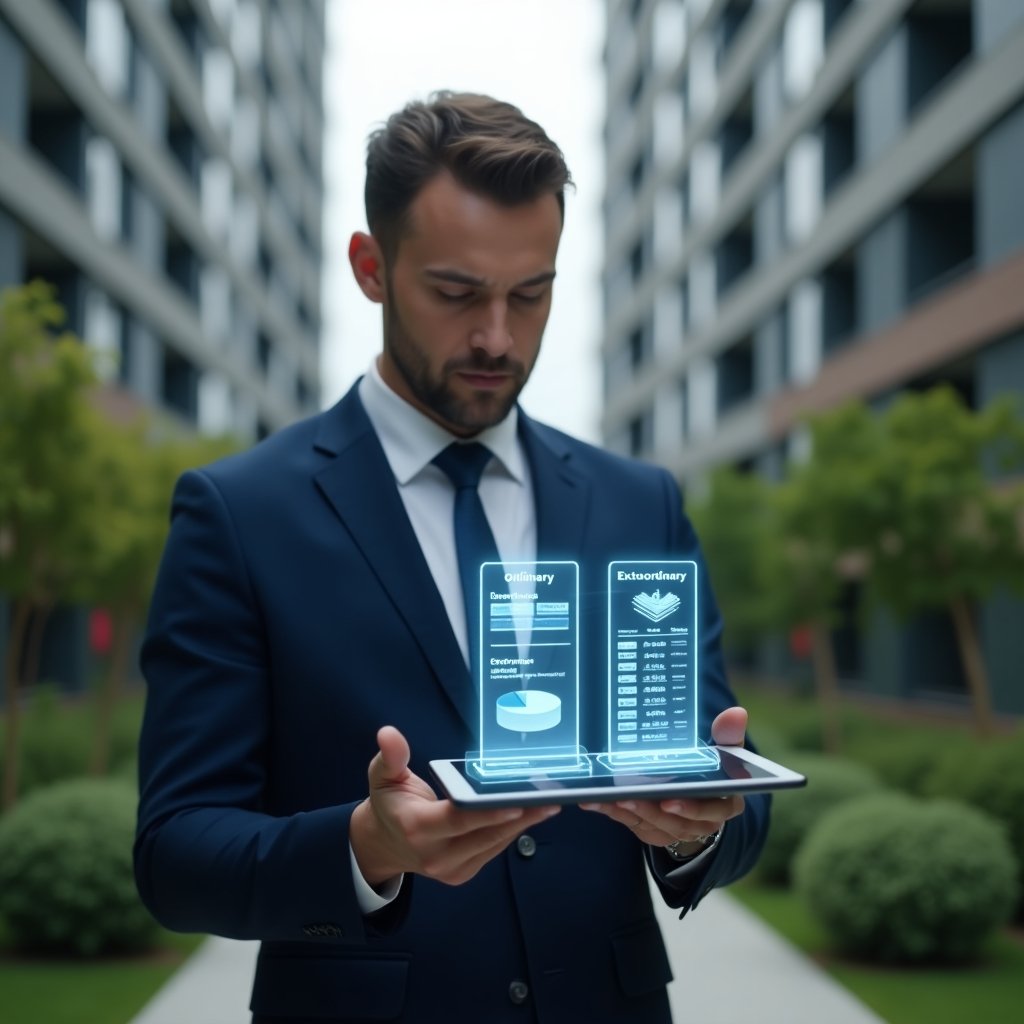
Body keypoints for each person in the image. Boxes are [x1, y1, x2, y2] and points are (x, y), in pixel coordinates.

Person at [135, 92, 770, 1024]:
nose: (498, 339)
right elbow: (178, 855)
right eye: (457, 292)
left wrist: (702, 826)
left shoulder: (642, 503)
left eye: (531, 293)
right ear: (370, 267)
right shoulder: (239, 513)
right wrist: (366, 847)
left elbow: (726, 779)